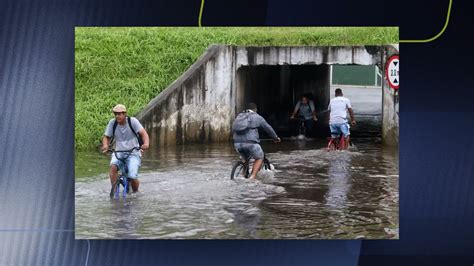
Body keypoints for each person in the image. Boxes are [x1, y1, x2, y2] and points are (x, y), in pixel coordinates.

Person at [101, 104, 150, 192]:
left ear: (125, 114)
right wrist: (105, 146)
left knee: (132, 176)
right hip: (118, 152)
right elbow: (106, 137)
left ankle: (135, 193)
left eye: (119, 114)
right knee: (113, 167)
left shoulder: (133, 121)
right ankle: (114, 190)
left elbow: (143, 133)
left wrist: (146, 144)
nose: (117, 116)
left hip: (133, 152)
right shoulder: (113, 123)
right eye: (115, 114)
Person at [232, 103, 281, 179]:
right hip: (251, 143)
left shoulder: (239, 116)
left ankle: (242, 174)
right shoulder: (257, 117)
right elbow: (268, 128)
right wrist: (275, 137)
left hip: (237, 143)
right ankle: (252, 177)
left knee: (245, 158)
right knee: (259, 157)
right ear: (255, 110)